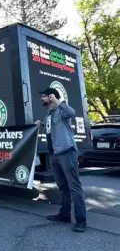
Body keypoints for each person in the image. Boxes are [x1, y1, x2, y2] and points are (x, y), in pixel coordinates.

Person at [36, 87, 87, 233]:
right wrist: (42, 125)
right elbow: (52, 131)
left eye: (44, 96)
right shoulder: (49, 114)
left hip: (66, 152)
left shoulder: (61, 110)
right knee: (63, 186)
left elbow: (71, 113)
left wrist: (58, 101)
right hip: (54, 154)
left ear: (52, 97)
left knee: (74, 187)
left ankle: (81, 220)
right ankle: (64, 214)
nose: (42, 99)